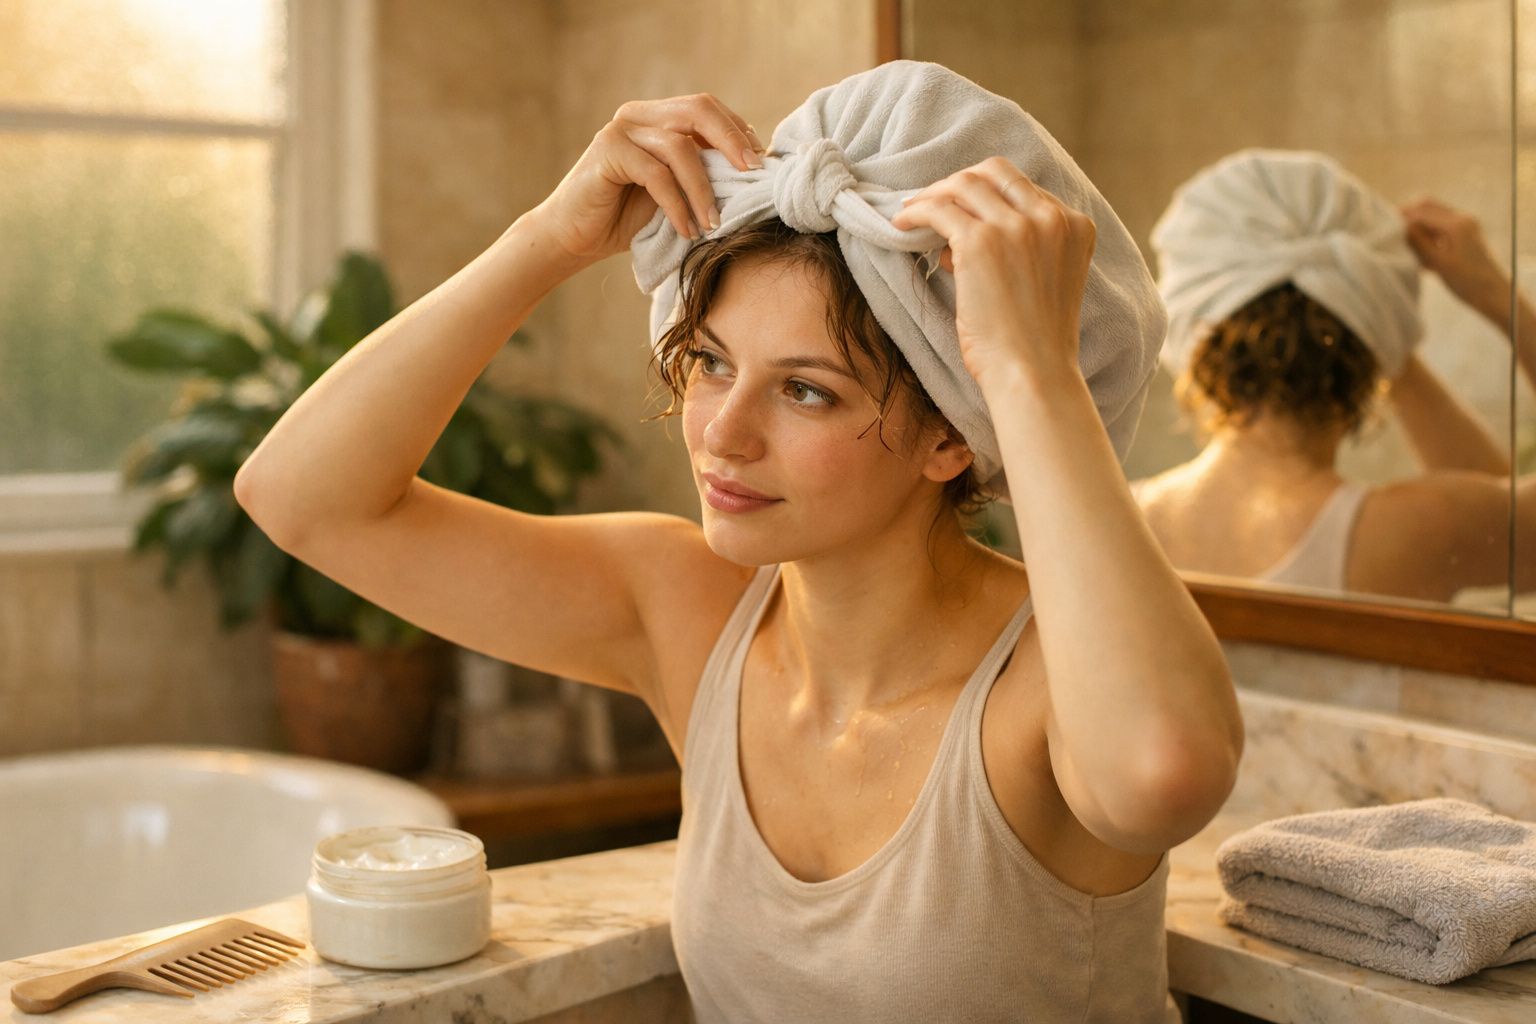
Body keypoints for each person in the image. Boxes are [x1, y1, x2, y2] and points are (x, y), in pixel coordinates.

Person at [234, 61, 1242, 1023]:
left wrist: (1029, 369)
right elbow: (303, 497)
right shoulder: (689, 607)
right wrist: (548, 237)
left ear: (951, 435)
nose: (721, 431)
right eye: (712, 361)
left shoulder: (1046, 685)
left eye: (806, 389)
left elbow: (1164, 771)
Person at [1133, 149, 1536, 604]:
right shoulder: (1411, 534)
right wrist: (1498, 296)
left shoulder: (1116, 518)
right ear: (1372, 356)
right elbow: (1502, 519)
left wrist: (1373, 319)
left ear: (1193, 336)